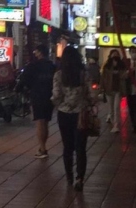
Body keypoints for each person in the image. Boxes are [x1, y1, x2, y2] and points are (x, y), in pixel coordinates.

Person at [52, 43, 91, 190]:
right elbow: (91, 95)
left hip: (64, 114)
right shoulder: (84, 74)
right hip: (81, 114)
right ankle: (79, 178)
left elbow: (56, 95)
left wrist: (58, 104)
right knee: (81, 147)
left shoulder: (59, 75)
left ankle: (69, 176)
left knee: (67, 147)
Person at [20, 42, 56, 159]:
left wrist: (19, 89)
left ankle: (43, 148)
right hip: (50, 96)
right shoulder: (52, 66)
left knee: (40, 122)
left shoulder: (33, 65)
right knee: (45, 122)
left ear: (40, 53)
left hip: (37, 95)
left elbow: (24, 80)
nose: (34, 53)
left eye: (36, 51)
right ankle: (42, 147)